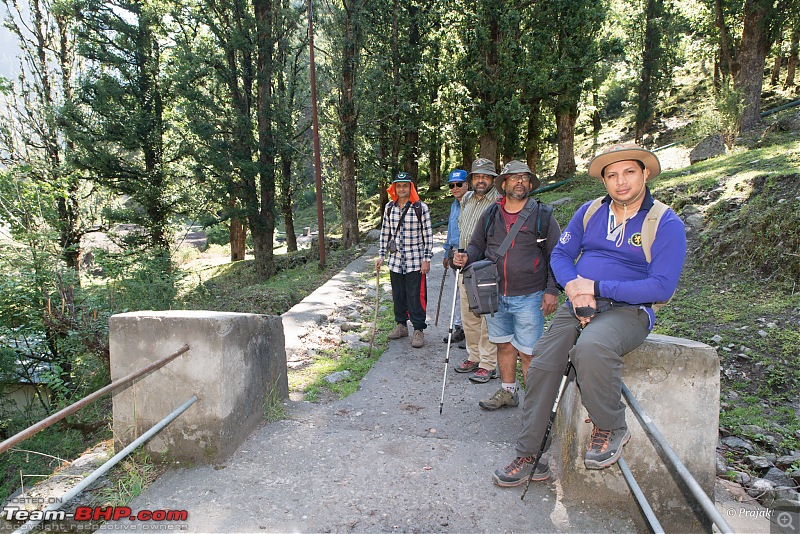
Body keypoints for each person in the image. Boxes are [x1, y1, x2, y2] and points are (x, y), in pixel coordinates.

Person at [492, 143, 687, 487]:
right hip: (579, 300)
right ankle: (531, 453)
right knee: (541, 362)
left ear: (644, 174)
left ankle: (610, 425)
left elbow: (661, 287)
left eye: (629, 172)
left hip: (630, 310)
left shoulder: (664, 221)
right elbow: (562, 254)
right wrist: (573, 287)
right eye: (611, 175)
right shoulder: (590, 211)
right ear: (604, 181)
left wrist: (596, 287)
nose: (620, 181)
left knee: (591, 348)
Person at [453, 160, 560, 408]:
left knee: (528, 352)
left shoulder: (543, 215)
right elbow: (477, 245)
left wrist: (552, 290)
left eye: (524, 177)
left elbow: (556, 256)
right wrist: (466, 256)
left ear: (530, 184)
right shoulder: (491, 213)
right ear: (504, 184)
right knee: (504, 345)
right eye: (514, 177)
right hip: (494, 293)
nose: (519, 181)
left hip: (530, 296)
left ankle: (535, 405)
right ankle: (508, 392)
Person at [451, 158, 501, 383]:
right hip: (465, 264)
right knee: (468, 314)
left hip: (487, 266)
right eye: (477, 176)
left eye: (486, 176)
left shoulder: (499, 202)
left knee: (486, 317)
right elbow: (462, 230)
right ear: (471, 180)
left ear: (493, 179)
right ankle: (473, 356)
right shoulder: (467, 199)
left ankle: (488, 363)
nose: (481, 180)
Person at [375, 172, 433, 348]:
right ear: (394, 188)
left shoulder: (420, 207)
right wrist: (381, 255)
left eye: (405, 186)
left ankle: (418, 329)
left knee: (416, 296)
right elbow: (385, 232)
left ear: (410, 187)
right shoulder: (389, 208)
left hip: (415, 259)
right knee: (398, 294)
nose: (401, 189)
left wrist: (427, 259)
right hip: (395, 260)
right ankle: (401, 325)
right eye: (398, 186)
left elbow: (428, 235)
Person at [442, 169, 468, 344]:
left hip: (467, 252)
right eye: (452, 185)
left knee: (469, 292)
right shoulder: (454, 204)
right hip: (453, 252)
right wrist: (446, 253)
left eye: (459, 184)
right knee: (458, 291)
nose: (455, 188)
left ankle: (469, 331)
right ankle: (461, 328)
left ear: (467, 184)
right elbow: (451, 231)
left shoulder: (472, 202)